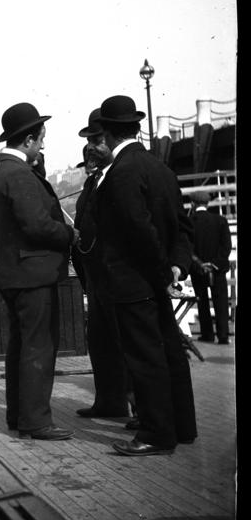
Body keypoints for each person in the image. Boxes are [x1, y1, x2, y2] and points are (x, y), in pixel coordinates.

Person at [91, 95, 197, 457]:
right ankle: (182, 427)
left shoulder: (121, 174)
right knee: (170, 353)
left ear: (108, 131)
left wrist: (157, 272)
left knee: (145, 358)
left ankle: (154, 434)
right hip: (157, 280)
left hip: (133, 282)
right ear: (136, 127)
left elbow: (140, 231)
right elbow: (182, 228)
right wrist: (175, 268)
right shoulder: (160, 169)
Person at [0, 102, 77, 441]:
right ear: (27, 140)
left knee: (21, 347)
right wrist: (69, 233)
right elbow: (37, 225)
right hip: (33, 275)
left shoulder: (0, 172)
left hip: (13, 273)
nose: (42, 146)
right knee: (38, 347)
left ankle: (18, 415)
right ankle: (36, 421)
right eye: (40, 139)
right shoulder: (19, 174)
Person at [71, 111, 135, 422]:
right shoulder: (93, 182)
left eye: (97, 140)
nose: (91, 148)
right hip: (95, 276)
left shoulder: (119, 177)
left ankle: (139, 407)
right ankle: (109, 401)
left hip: (115, 276)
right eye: (88, 143)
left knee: (126, 343)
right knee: (101, 342)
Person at [189, 190, 232, 344]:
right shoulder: (220, 220)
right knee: (220, 301)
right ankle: (223, 335)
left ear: (193, 204)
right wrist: (214, 264)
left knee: (202, 302)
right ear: (207, 203)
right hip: (217, 269)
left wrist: (200, 264)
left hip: (198, 268)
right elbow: (226, 246)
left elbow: (188, 247)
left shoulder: (189, 222)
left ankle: (207, 334)